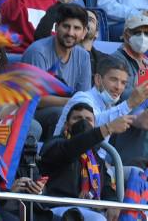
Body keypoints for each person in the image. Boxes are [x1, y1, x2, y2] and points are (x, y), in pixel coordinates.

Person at [38, 103, 128, 221]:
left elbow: (107, 188)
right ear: (66, 126)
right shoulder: (56, 145)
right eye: (77, 118)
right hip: (59, 208)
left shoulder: (97, 159)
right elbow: (72, 148)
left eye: (88, 119)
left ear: (94, 125)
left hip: (91, 210)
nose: (83, 123)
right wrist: (107, 128)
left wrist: (113, 204)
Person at [22, 4, 94, 137]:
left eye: (76, 28)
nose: (70, 33)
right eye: (66, 26)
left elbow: (83, 96)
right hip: (28, 112)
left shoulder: (83, 56)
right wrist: (71, 102)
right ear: (56, 27)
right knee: (61, 114)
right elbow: (33, 100)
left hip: (64, 110)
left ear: (84, 33)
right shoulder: (38, 52)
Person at [52, 55, 148, 137]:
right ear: (98, 79)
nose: (118, 87)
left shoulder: (109, 105)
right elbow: (91, 126)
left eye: (123, 83)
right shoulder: (82, 98)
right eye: (113, 79)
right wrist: (129, 104)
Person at [110, 12, 148, 168]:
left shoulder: (145, 62)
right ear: (126, 35)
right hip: (124, 117)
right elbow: (123, 95)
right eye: (137, 32)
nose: (143, 37)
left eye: (146, 33)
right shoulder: (116, 60)